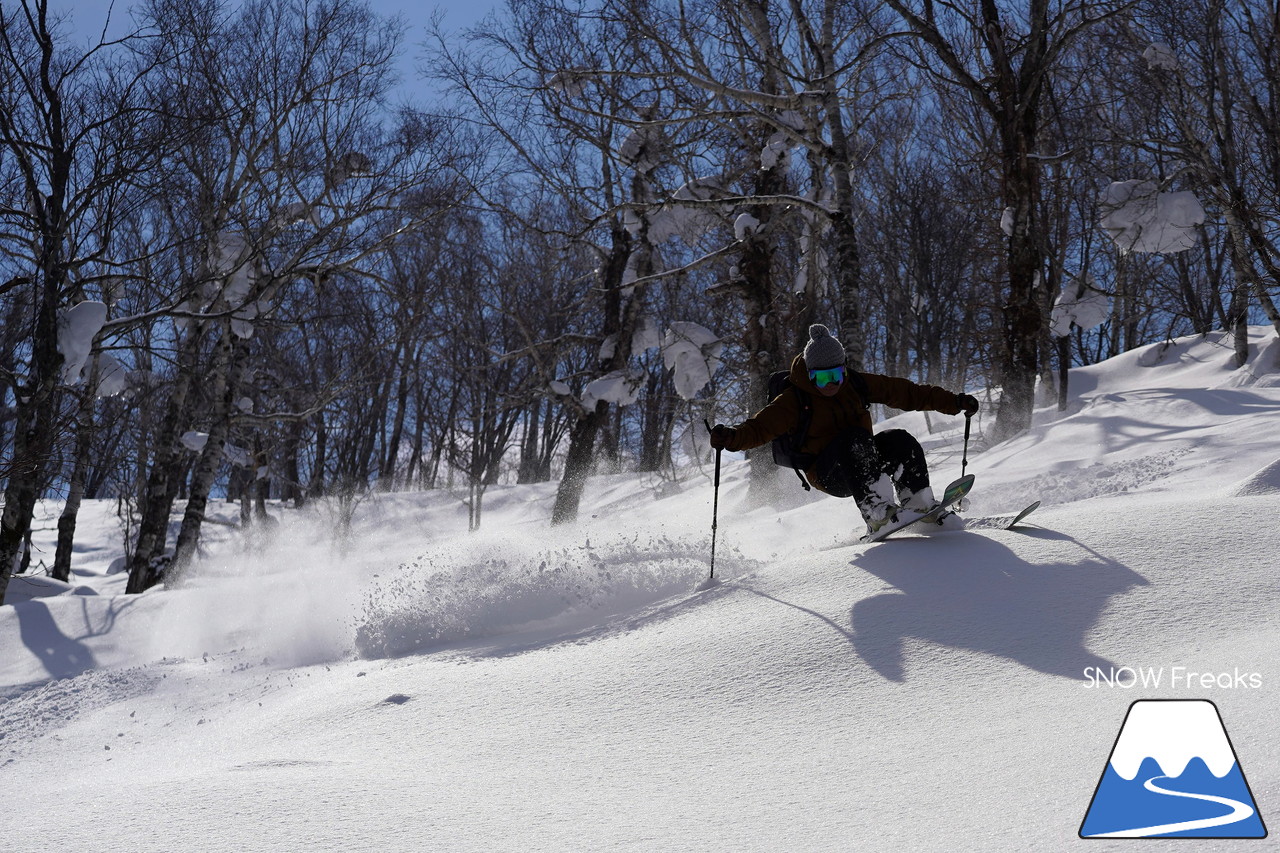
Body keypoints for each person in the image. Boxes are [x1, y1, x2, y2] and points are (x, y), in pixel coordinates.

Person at [709, 324, 980, 536]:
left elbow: (906, 392)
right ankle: (876, 513)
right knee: (853, 438)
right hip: (828, 472)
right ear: (810, 374)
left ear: (844, 371)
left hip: (863, 461)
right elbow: (760, 428)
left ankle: (918, 501)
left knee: (899, 439)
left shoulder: (856, 384)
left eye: (836, 375)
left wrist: (954, 402)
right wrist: (731, 438)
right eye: (821, 378)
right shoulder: (795, 399)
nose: (830, 384)